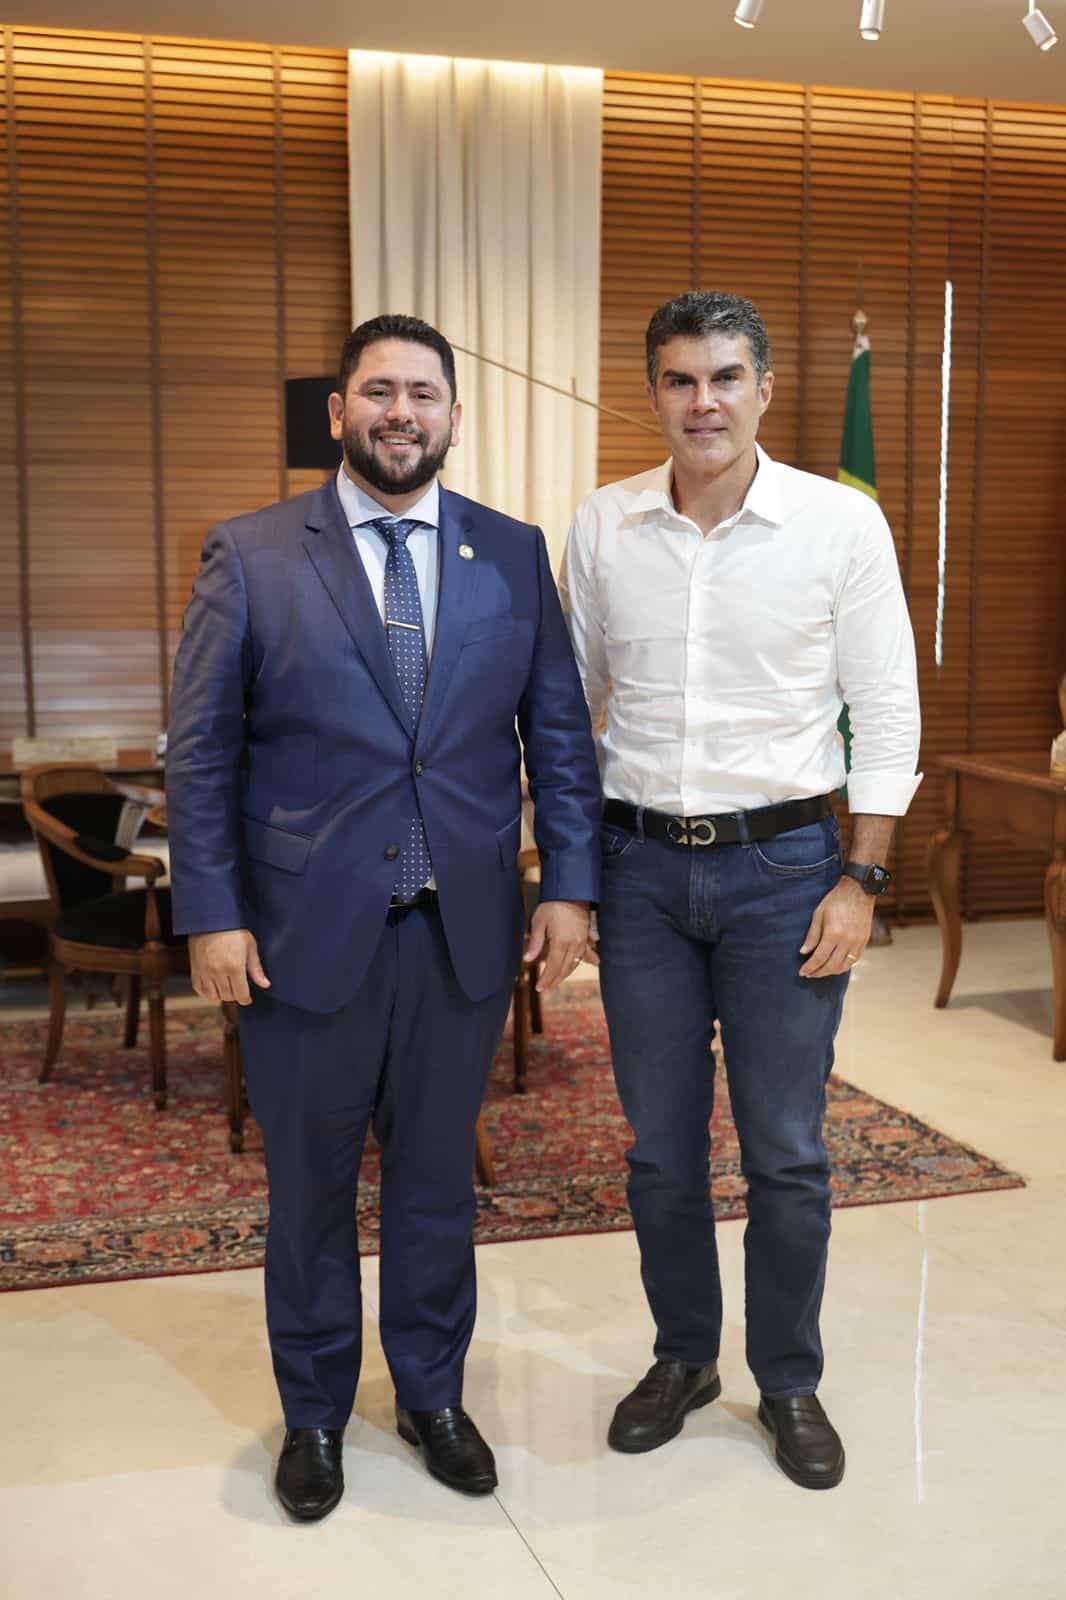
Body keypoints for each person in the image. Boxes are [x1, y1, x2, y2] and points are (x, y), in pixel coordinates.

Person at [166, 314, 601, 1520]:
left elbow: (558, 738)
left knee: (435, 1186)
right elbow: (200, 752)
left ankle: (431, 1396)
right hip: (300, 937)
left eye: (422, 392)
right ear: (338, 411)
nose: (399, 411)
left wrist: (568, 886)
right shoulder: (254, 553)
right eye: (377, 391)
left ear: (455, 415)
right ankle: (313, 1413)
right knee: (308, 1191)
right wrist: (211, 911)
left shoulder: (509, 552)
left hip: (462, 932)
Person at [561, 290, 921, 1491]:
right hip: (639, 874)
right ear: (653, 394)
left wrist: (861, 876)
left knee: (784, 1151)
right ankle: (683, 1359)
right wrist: (568, 876)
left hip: (786, 876)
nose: (702, 401)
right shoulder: (603, 526)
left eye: (724, 377)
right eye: (679, 379)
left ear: (764, 389)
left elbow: (886, 708)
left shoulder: (837, 524)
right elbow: (569, 711)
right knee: (661, 1152)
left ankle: (788, 1378)